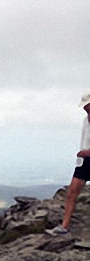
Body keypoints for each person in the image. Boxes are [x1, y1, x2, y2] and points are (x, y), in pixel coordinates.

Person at [46, 92, 90, 236]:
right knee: (71, 193)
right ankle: (64, 227)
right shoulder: (85, 120)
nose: (85, 109)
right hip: (84, 161)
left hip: (86, 156)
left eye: (87, 106)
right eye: (85, 107)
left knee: (73, 192)